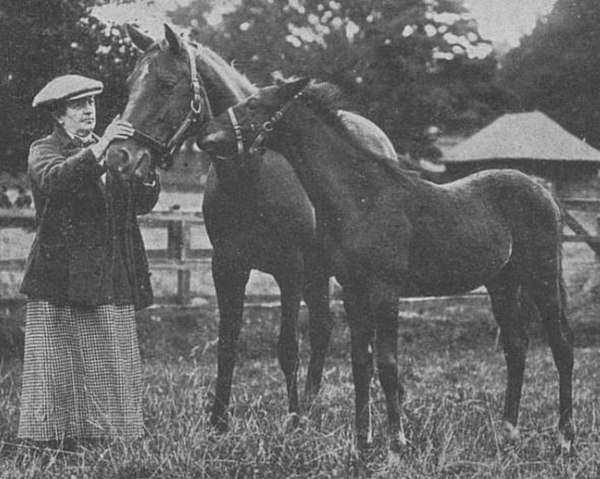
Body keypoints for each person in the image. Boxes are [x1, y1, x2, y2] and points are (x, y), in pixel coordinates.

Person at [18, 74, 160, 449]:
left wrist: (146, 175)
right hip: (59, 275)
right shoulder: (44, 149)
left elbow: (139, 202)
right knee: (57, 361)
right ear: (59, 115)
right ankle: (50, 438)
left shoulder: (106, 148)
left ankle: (108, 435)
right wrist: (101, 151)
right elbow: (55, 182)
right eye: (78, 106)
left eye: (92, 104)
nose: (88, 111)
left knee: (109, 358)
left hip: (107, 274)